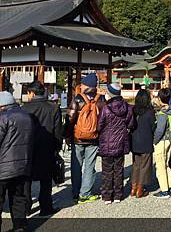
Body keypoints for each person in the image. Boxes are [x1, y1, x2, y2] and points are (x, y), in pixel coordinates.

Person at [22, 81, 62, 216]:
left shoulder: (24, 108)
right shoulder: (54, 108)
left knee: (26, 179)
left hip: (28, 148)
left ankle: (26, 207)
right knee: (46, 179)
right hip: (47, 146)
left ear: (32, 93)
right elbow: (58, 131)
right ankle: (46, 207)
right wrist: (57, 148)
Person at [67, 73, 105, 204]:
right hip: (94, 137)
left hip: (78, 138)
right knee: (90, 165)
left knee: (76, 165)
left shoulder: (78, 99)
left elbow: (70, 119)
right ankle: (85, 193)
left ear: (87, 85)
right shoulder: (101, 99)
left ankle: (75, 192)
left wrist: (67, 136)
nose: (81, 86)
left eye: (83, 83)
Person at [0, 92, 34, 231]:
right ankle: (20, 227)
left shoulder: (3, 118)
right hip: (22, 166)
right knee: (18, 198)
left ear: (3, 105)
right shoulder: (27, 116)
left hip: (2, 168)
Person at [97, 83, 134, 204]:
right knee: (119, 170)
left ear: (110, 94)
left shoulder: (106, 108)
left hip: (106, 143)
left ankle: (107, 196)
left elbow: (99, 126)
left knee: (107, 170)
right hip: (121, 142)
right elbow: (131, 124)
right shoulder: (127, 107)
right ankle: (118, 195)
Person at [153, 88, 171, 198]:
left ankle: (164, 190)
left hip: (162, 140)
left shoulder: (162, 113)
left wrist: (154, 140)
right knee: (166, 164)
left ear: (160, 98)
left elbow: (160, 130)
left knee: (160, 166)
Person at [130, 89, 156, 198]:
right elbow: (153, 127)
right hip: (146, 141)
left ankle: (133, 188)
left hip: (134, 141)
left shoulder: (133, 110)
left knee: (136, 165)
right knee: (145, 166)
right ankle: (140, 189)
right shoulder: (150, 111)